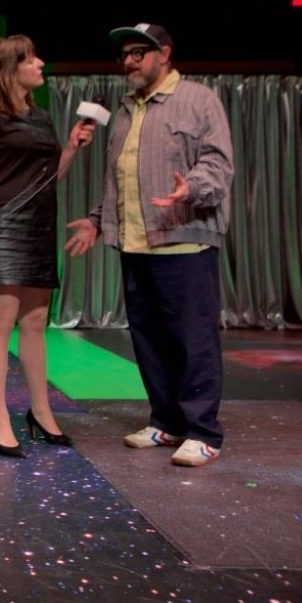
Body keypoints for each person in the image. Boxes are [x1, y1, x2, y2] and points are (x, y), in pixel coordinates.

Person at [65, 23, 234, 468]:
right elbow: (118, 177)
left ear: (165, 53)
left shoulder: (198, 100)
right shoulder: (125, 110)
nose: (129, 61)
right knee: (149, 340)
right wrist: (97, 221)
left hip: (183, 242)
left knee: (192, 340)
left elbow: (218, 165)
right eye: (124, 54)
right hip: (135, 245)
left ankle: (203, 431)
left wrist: (189, 188)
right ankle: (166, 421)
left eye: (139, 52)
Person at [0, 35, 95, 459]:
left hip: (38, 226)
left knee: (35, 321)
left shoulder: (40, 117)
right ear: (10, 67)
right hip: (3, 225)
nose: (40, 63)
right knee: (2, 319)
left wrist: (70, 148)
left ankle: (40, 410)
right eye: (30, 58)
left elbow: (49, 177)